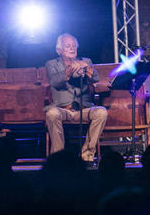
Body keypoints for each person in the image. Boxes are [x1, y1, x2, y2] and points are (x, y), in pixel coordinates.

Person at [44, 33, 107, 164]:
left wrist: (87, 68)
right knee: (51, 113)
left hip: (83, 109)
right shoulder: (51, 64)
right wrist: (68, 71)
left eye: (74, 46)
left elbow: (95, 78)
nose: (72, 48)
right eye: (68, 46)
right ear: (59, 50)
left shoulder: (86, 61)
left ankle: (87, 156)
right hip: (63, 109)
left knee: (101, 112)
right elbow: (54, 82)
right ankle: (58, 157)